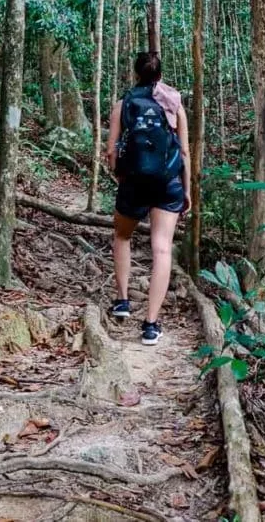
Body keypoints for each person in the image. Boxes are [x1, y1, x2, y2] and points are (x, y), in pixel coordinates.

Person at [106, 51, 191, 345]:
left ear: (136, 73)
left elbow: (111, 151)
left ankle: (122, 301)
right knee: (162, 250)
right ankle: (151, 325)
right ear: (160, 74)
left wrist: (121, 176)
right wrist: (187, 190)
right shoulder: (173, 103)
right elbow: (184, 152)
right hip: (168, 183)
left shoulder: (124, 104)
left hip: (134, 182)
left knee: (122, 235)